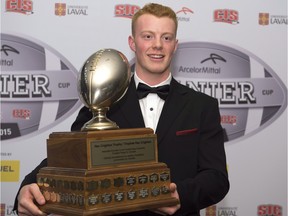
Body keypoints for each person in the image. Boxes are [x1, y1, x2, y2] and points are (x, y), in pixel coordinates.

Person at [13, 3, 229, 216]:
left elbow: (217, 177)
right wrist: (28, 186)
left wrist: (181, 195)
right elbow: (68, 158)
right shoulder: (103, 101)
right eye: (148, 36)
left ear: (175, 44)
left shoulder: (202, 106)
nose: (158, 45)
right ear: (132, 43)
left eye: (166, 37)